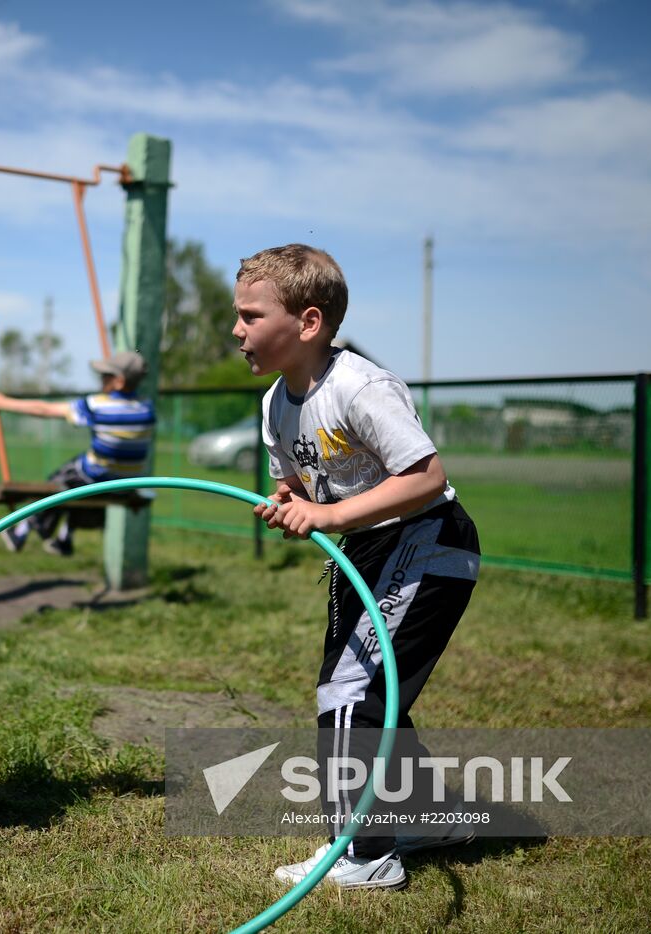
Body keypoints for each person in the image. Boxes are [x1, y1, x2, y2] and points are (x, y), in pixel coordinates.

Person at [233, 244, 480, 890]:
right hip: (364, 554)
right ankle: (426, 816)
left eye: (251, 316)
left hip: (427, 542)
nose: (237, 331)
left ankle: (364, 856)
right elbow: (301, 492)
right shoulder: (274, 406)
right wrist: (292, 506)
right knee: (368, 692)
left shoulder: (358, 386)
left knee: (349, 694)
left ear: (308, 323)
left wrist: (329, 519)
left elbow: (426, 477)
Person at [0, 349, 155, 556]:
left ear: (118, 382)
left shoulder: (98, 405)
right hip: (126, 484)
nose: (101, 379)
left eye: (105, 376)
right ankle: (65, 536)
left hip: (97, 478)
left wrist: (2, 403)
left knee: (60, 482)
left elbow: (45, 410)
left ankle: (22, 530)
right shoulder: (147, 407)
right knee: (80, 486)